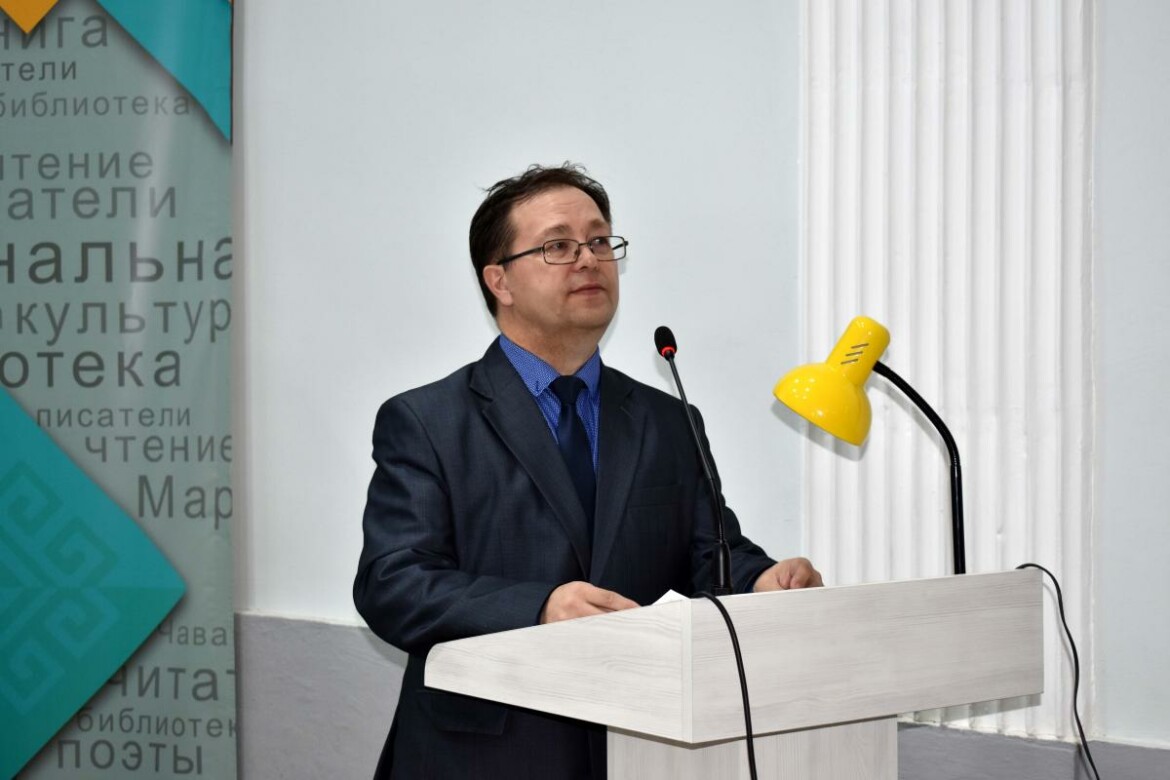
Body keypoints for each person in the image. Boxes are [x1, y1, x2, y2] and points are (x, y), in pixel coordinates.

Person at [354, 164, 822, 779]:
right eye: (558, 245)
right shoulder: (428, 420)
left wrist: (762, 581)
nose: (588, 259)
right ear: (499, 281)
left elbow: (711, 554)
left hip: (640, 745)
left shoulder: (667, 418)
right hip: (485, 752)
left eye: (600, 241)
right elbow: (393, 585)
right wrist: (540, 607)